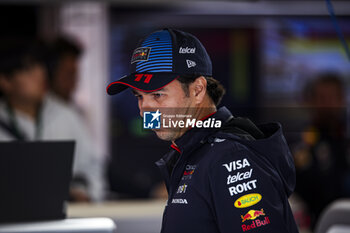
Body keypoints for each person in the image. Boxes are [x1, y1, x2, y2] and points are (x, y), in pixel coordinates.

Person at [107, 28, 299, 233]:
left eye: (157, 95)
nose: (145, 108)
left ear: (197, 90)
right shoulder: (193, 153)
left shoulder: (230, 157)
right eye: (139, 97)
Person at [0, 39, 105, 202]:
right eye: (29, 69)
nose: (40, 74)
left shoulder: (66, 115)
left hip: (67, 217)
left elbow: (93, 169)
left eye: (41, 67)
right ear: (5, 81)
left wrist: (83, 193)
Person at [293, 73, 350, 229]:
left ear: (342, 100)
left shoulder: (345, 137)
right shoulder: (303, 142)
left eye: (333, 98)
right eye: (322, 98)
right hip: (320, 221)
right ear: (311, 102)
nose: (328, 104)